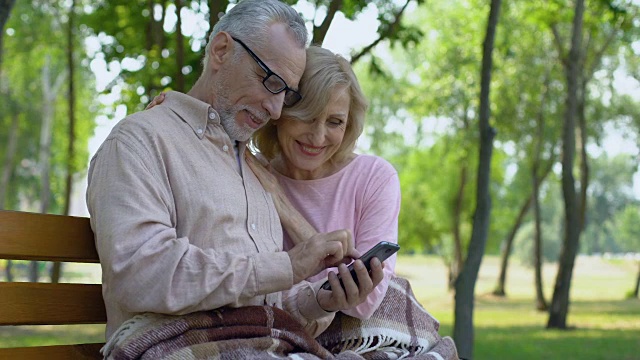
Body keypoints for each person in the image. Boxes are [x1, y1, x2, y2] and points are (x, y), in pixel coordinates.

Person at [86, 0, 384, 343]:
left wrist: (318, 300)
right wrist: (288, 266)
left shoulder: (252, 167)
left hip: (262, 344)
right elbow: (141, 274)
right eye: (270, 81)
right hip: (175, 344)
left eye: (285, 94)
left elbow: (262, 299)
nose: (275, 110)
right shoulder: (140, 140)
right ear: (222, 50)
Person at [246, 45, 401, 320]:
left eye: (334, 122)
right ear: (279, 112)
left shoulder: (375, 178)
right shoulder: (251, 170)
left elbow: (363, 304)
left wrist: (286, 210)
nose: (318, 137)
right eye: (307, 116)